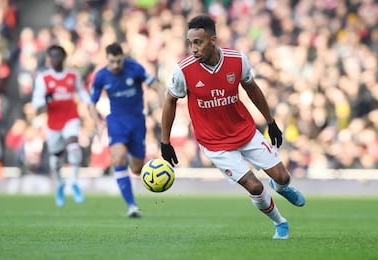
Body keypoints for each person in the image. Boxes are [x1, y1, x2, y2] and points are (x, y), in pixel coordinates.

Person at [160, 14, 305, 239]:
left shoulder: (237, 60)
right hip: (215, 144)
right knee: (255, 187)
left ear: (213, 40)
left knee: (283, 177)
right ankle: (280, 223)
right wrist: (165, 142)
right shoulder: (183, 70)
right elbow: (170, 101)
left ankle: (281, 187)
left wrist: (271, 122)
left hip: (244, 132)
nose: (193, 49)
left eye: (198, 42)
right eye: (190, 43)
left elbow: (252, 89)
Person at [89, 43, 157, 218]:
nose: (115, 66)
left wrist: (165, 109)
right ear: (107, 60)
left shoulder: (135, 68)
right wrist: (97, 122)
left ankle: (135, 165)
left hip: (137, 121)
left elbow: (157, 86)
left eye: (118, 61)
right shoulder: (101, 76)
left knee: (136, 168)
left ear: (123, 58)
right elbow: (91, 103)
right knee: (118, 158)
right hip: (117, 121)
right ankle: (132, 206)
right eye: (112, 62)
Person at [32, 44, 91, 207]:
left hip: (71, 117)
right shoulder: (43, 78)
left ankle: (73, 182)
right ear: (49, 59)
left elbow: (81, 91)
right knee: (55, 160)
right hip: (53, 122)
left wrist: (89, 102)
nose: (55, 59)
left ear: (64, 57)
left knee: (73, 146)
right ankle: (60, 185)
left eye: (58, 56)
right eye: (52, 56)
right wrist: (46, 100)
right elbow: (36, 103)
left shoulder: (73, 75)